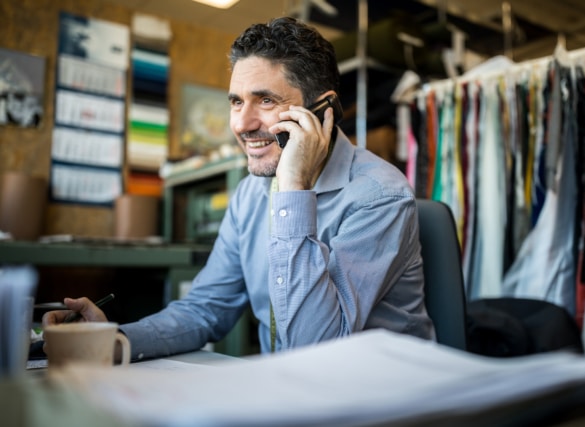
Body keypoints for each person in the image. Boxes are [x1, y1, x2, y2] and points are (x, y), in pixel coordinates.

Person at [43, 16, 434, 360]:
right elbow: (205, 308)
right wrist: (113, 339)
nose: (243, 124)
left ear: (322, 111)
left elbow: (315, 349)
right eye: (235, 102)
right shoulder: (250, 194)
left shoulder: (378, 195)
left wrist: (294, 189)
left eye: (265, 100)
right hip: (289, 397)